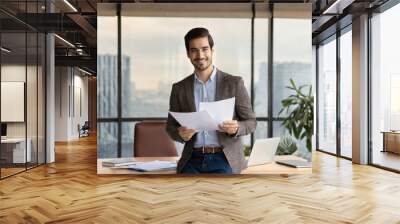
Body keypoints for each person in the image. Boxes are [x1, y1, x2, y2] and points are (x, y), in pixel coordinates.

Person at [166, 27, 256, 174]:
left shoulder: (234, 83)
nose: (200, 55)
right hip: (192, 159)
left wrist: (236, 128)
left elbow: (251, 122)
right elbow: (170, 127)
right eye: (194, 50)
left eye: (204, 49)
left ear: (212, 51)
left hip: (225, 159)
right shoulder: (179, 88)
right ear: (188, 54)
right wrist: (180, 134)